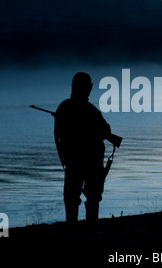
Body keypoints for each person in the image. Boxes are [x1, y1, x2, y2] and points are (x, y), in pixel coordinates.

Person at [54, 72, 111, 225]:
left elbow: (58, 136)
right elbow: (106, 131)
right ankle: (90, 226)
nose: (90, 89)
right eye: (89, 86)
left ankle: (74, 227)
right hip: (88, 160)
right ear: (86, 88)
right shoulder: (90, 110)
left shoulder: (64, 107)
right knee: (90, 196)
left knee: (73, 197)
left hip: (74, 160)